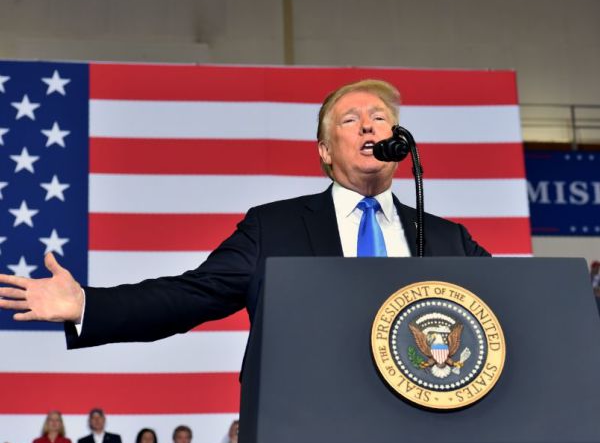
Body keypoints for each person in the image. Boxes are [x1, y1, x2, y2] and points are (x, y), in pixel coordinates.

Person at [0, 79, 488, 346]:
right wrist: (87, 304)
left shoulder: (449, 240)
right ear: (324, 150)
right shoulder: (272, 229)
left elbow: (517, 307)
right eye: (350, 119)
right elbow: (189, 296)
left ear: (398, 142)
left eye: (380, 118)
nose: (368, 125)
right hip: (306, 433)